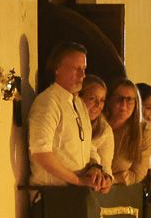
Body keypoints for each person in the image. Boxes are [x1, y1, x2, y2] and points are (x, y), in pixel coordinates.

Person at [30, 42, 109, 191]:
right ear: (57, 68)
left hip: (76, 194)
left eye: (84, 69)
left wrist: (95, 169)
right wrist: (78, 181)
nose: (82, 75)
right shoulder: (48, 102)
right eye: (76, 69)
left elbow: (88, 146)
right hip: (54, 194)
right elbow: (40, 152)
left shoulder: (79, 104)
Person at [104, 78, 151, 186]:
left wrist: (112, 179)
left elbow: (138, 174)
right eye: (119, 98)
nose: (124, 104)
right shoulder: (99, 125)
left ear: (136, 103)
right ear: (110, 100)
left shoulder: (143, 131)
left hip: (120, 193)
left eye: (129, 99)